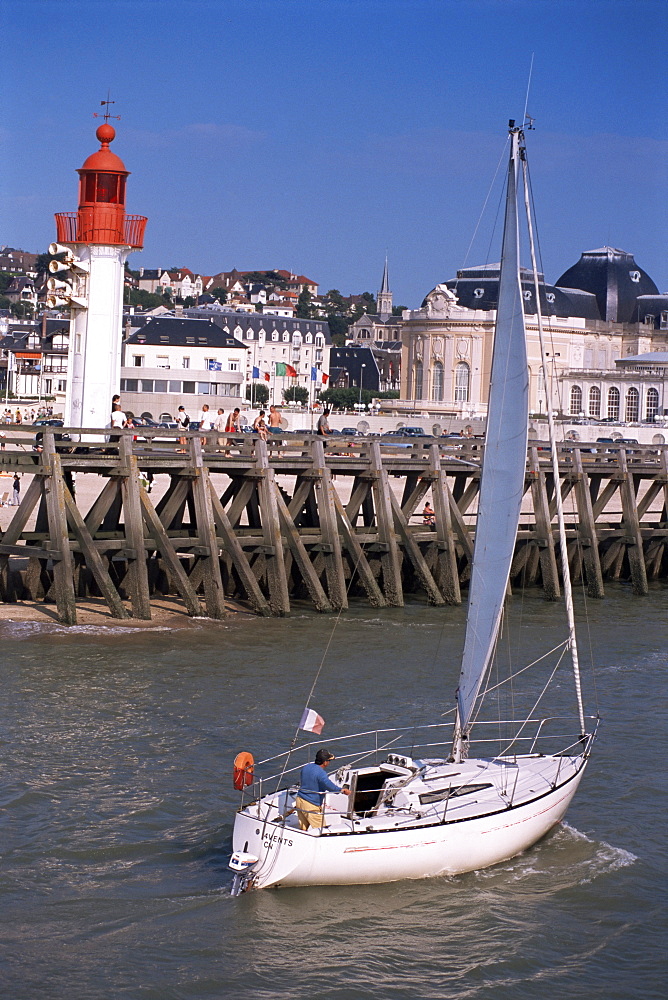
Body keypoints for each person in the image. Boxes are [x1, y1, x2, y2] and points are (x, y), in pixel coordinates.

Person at [295, 748, 350, 831]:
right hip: (311, 805)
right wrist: (342, 790)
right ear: (325, 762)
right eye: (329, 761)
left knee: (303, 829)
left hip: (300, 801)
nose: (329, 763)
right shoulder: (321, 774)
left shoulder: (306, 767)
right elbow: (330, 787)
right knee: (321, 830)